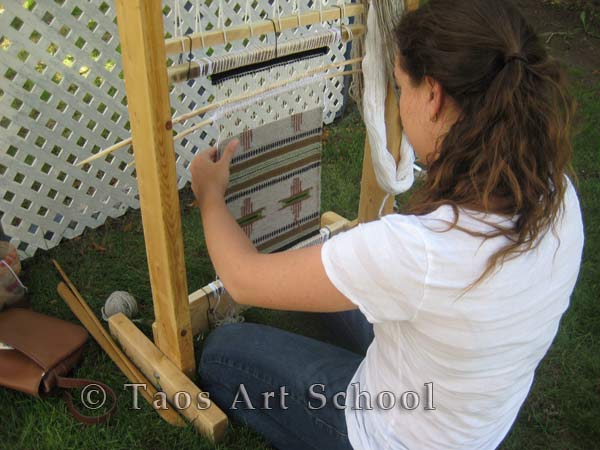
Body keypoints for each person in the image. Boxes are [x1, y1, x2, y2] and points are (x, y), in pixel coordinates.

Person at [189, 0, 584, 448]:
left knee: (225, 354)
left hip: (387, 435)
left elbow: (242, 281)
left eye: (400, 88)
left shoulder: (419, 251)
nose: (399, 104)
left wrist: (210, 195)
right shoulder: (557, 193)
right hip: (472, 422)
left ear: (433, 95)